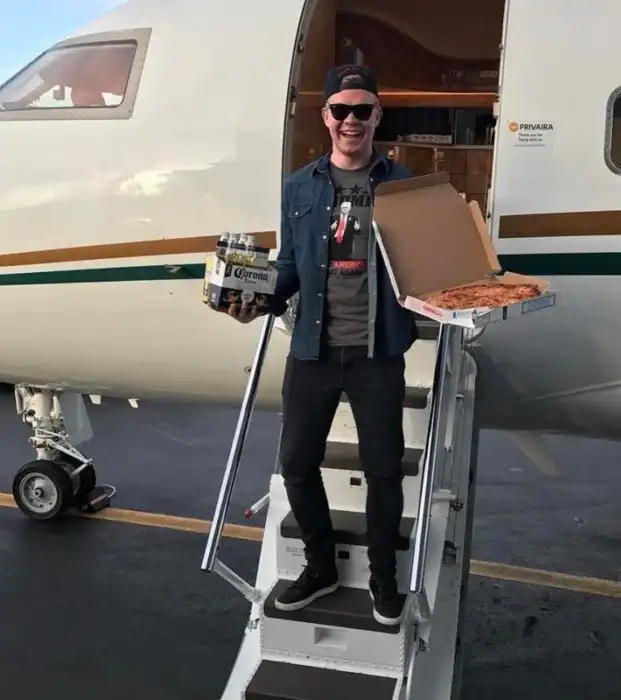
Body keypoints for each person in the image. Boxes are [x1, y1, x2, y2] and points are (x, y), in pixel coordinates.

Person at [229, 64, 417, 626]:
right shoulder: (299, 187)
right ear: (326, 117)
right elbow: (289, 266)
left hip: (377, 351)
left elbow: (426, 262)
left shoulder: (405, 186)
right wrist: (257, 299)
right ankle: (320, 566)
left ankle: (383, 576)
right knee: (296, 464)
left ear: (377, 115)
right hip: (313, 349)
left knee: (383, 469)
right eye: (341, 110)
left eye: (362, 110)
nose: (351, 120)